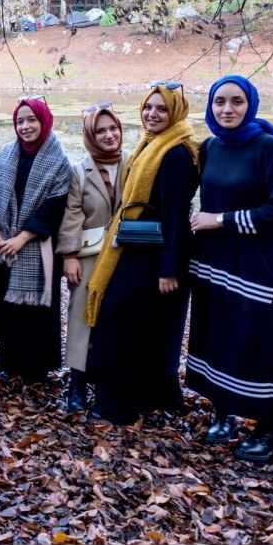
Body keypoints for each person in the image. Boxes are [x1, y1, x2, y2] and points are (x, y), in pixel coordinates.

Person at [186, 76, 273, 463]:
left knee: (256, 341)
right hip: (215, 261)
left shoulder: (270, 148)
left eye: (236, 102)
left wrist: (221, 220)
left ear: (250, 104)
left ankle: (268, 427)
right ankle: (224, 412)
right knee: (218, 334)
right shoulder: (211, 146)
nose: (227, 110)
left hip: (259, 264)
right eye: (219, 102)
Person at [85, 83, 200, 425]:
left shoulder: (177, 153)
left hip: (156, 256)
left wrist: (169, 269)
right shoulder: (150, 145)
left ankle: (118, 406)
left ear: (176, 112)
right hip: (136, 249)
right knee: (137, 327)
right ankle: (147, 396)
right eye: (148, 107)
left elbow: (177, 215)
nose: (152, 114)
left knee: (121, 326)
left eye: (161, 109)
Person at [0, 97, 72, 383]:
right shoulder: (5, 154)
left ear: (44, 120)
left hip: (37, 246)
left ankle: (35, 367)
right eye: (20, 121)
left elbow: (54, 207)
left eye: (31, 120)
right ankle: (8, 362)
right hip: (0, 244)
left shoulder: (59, 162)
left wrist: (22, 238)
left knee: (33, 312)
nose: (25, 126)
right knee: (6, 307)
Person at [56, 104, 126, 412]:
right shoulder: (78, 170)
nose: (109, 135)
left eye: (113, 128)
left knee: (117, 319)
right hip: (89, 255)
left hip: (126, 255)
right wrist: (70, 255)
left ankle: (111, 381)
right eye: (100, 130)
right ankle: (77, 384)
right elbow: (72, 214)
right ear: (90, 135)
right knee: (81, 317)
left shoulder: (134, 163)